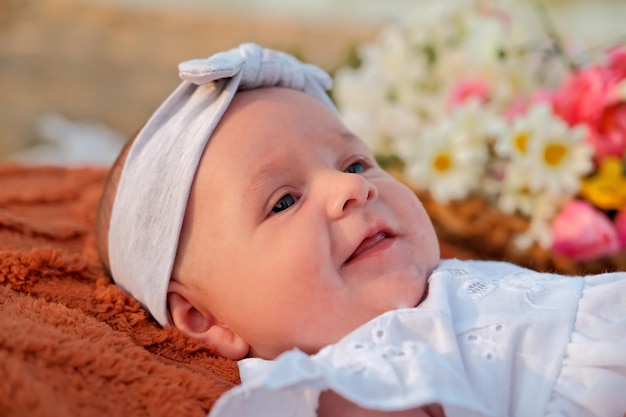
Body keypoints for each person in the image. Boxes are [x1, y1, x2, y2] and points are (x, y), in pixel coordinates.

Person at [96, 43, 626, 417]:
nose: (350, 189)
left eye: (354, 163)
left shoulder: (441, 289)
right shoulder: (355, 375)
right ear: (203, 317)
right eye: (283, 201)